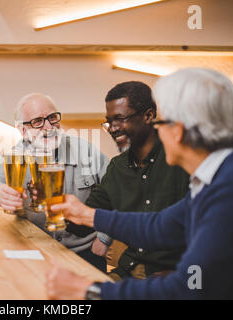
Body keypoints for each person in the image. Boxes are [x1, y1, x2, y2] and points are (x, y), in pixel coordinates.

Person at [46, 68, 233, 299]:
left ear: (178, 131)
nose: (158, 132)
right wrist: (85, 215)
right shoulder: (222, 177)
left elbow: (188, 289)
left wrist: (87, 290)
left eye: (161, 123)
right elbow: (160, 227)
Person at [0, 93, 110, 271]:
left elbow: (120, 192)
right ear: (22, 130)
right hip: (36, 250)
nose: (48, 126)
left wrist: (104, 238)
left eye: (52, 117)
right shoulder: (17, 156)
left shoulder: (86, 151)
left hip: (85, 252)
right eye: (38, 121)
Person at [84, 81, 189, 280]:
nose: (113, 129)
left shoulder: (182, 159)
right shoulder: (118, 167)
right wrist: (44, 202)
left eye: (120, 119)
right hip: (128, 271)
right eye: (109, 122)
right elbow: (83, 218)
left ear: (148, 116)